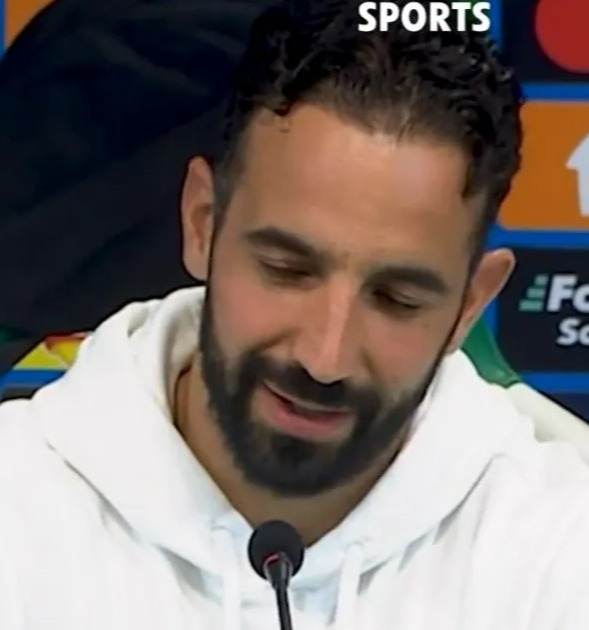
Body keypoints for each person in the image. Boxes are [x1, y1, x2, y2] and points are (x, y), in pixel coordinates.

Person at [1, 1, 589, 628]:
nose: (324, 357)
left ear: (471, 302)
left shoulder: (561, 547)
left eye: (397, 300)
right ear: (202, 224)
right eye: (287, 270)